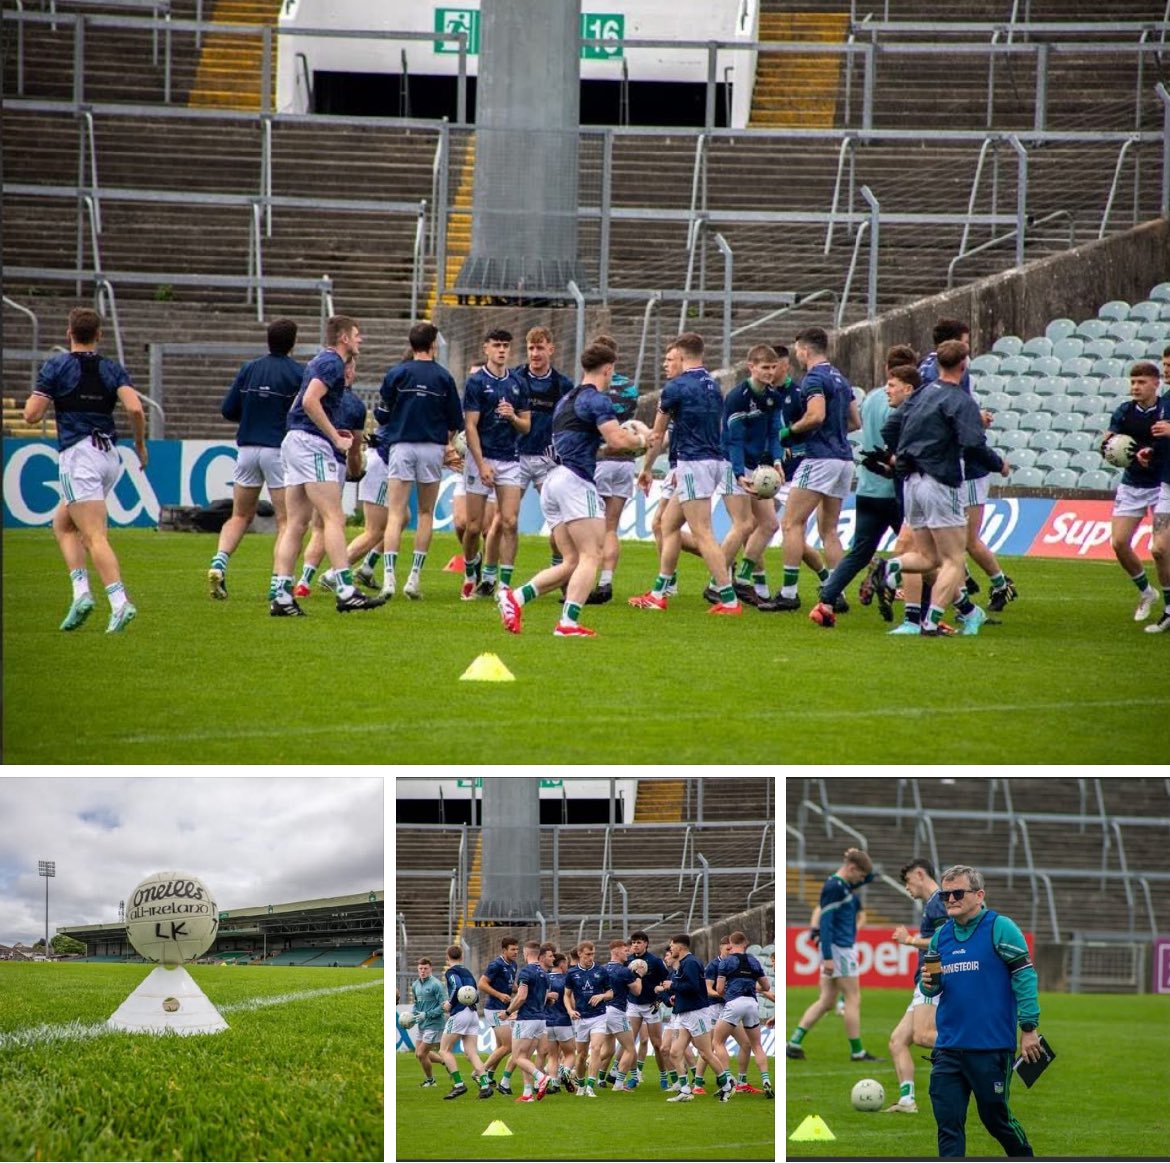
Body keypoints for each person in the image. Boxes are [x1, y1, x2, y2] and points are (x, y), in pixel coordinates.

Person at [495, 343, 648, 638]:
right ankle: (568, 624)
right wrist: (644, 441)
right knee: (592, 554)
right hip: (576, 481)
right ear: (608, 368)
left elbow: (585, 440)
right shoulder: (597, 399)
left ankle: (515, 598)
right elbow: (616, 439)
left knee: (572, 561)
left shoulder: (567, 398)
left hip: (554, 479)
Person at [870, 341, 1009, 636]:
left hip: (911, 483)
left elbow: (889, 428)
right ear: (964, 365)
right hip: (940, 482)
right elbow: (974, 444)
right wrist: (999, 465)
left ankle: (891, 568)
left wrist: (903, 454)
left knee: (928, 558)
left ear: (936, 366)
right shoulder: (961, 401)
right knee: (954, 560)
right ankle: (930, 621)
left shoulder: (921, 394)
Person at [24, 306, 146, 633]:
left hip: (78, 455)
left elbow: (31, 415)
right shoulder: (110, 368)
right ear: (99, 335)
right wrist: (140, 445)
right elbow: (134, 407)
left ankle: (120, 603)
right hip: (108, 454)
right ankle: (80, 593)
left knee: (93, 535)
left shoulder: (57, 366)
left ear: (69, 334)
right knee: (63, 524)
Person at [919, 864, 1042, 1157]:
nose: (950, 900)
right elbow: (932, 988)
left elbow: (1025, 977)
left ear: (979, 895)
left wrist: (1029, 1029)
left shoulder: (1001, 927)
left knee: (994, 1118)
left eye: (957, 893)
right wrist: (927, 984)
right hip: (948, 1049)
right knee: (948, 1124)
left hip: (990, 1049)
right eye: (946, 895)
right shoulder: (940, 937)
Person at [269, 315, 382, 615]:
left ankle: (281, 594)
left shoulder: (320, 362)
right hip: (311, 445)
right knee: (334, 518)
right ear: (344, 338)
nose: (361, 340)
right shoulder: (333, 363)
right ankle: (345, 590)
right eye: (357, 335)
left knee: (296, 523)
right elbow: (309, 400)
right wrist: (334, 437)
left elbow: (301, 403)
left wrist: (328, 430)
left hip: (296, 441)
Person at [629, 333, 742, 614]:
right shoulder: (714, 386)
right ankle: (659, 592)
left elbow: (656, 435)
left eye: (671, 357)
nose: (667, 363)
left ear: (682, 355)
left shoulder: (675, 388)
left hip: (693, 464)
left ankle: (728, 598)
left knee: (702, 532)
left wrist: (639, 447)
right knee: (667, 526)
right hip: (714, 461)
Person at [759, 326, 860, 612]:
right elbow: (855, 421)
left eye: (797, 351)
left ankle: (789, 593)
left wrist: (789, 433)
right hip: (843, 459)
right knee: (829, 530)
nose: (797, 356)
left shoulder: (814, 378)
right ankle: (835, 594)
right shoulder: (840, 377)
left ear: (804, 350)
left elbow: (816, 415)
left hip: (820, 459)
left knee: (791, 523)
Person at [812, 350, 915, 628]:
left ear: (886, 368)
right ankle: (936, 606)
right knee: (924, 552)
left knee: (859, 551)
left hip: (868, 488)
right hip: (896, 489)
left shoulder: (871, 398)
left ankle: (827, 598)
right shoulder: (907, 404)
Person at [207, 318, 303, 600]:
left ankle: (219, 562)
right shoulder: (298, 373)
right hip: (278, 451)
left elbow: (228, 409)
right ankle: (278, 582)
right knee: (286, 521)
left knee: (240, 515)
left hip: (247, 450)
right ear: (293, 342)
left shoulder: (249, 368)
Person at [373, 322, 463, 600]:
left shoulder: (397, 374)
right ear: (433, 344)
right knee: (425, 513)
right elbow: (455, 422)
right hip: (432, 448)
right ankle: (413, 578)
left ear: (411, 345)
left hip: (401, 445)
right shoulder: (444, 377)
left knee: (396, 513)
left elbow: (381, 415)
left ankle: (388, 579)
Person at [786, 847, 881, 1062]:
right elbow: (825, 923)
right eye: (860, 874)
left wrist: (864, 865)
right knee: (853, 999)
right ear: (851, 868)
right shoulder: (834, 887)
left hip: (837, 950)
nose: (861, 880)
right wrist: (828, 955)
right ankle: (857, 1052)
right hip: (840, 950)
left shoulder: (841, 884)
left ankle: (793, 1043)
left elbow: (864, 879)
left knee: (827, 1001)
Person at [461, 329, 531, 599]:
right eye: (497, 345)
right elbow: (470, 426)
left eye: (505, 345)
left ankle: (504, 584)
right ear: (486, 349)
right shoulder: (477, 383)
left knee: (510, 522)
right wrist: (481, 465)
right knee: (474, 526)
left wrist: (512, 417)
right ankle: (470, 572)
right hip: (482, 458)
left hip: (510, 458)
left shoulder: (518, 383)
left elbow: (526, 427)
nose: (502, 350)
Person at [292, 355, 367, 596]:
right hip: (331, 463)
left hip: (299, 453)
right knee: (328, 522)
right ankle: (318, 581)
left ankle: (283, 584)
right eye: (352, 367)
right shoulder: (354, 405)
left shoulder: (313, 389)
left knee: (299, 523)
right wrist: (356, 471)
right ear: (348, 372)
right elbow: (354, 449)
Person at [717, 344, 786, 607]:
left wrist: (776, 461)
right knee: (744, 525)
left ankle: (743, 578)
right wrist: (737, 473)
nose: (770, 372)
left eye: (773, 367)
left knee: (769, 524)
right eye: (764, 367)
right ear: (751, 367)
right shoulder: (737, 397)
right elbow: (734, 439)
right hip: (731, 464)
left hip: (757, 467)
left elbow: (774, 432)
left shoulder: (773, 397)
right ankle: (717, 584)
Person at [510, 326, 575, 582]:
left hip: (548, 461)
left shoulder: (562, 384)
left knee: (560, 522)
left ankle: (558, 569)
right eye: (531, 348)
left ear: (551, 349)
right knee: (505, 520)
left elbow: (570, 421)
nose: (535, 353)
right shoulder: (514, 378)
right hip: (516, 457)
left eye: (540, 348)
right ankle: (499, 578)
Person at [1101, 361, 1163, 622]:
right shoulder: (1124, 412)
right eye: (1133, 382)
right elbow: (1107, 442)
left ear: (1155, 384)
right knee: (1119, 542)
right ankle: (1147, 592)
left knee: (1160, 549)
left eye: (1141, 382)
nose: (1136, 387)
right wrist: (1111, 448)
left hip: (1162, 485)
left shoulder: (1164, 409)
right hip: (1133, 483)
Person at [884, 859, 947, 1114]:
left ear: (920, 874)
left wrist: (909, 940)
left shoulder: (938, 901)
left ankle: (977, 1047)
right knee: (897, 1041)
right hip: (924, 977)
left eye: (908, 881)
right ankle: (907, 1101)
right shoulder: (932, 904)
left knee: (922, 1036)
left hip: (932, 976)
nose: (907, 888)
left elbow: (945, 940)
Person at [589, 359, 642, 606]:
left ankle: (581, 582)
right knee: (611, 527)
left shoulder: (596, 389)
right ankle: (606, 581)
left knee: (591, 527)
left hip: (601, 458)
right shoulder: (630, 388)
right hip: (626, 463)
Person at [660, 933, 736, 1102]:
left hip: (696, 1013)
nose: (670, 948)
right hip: (683, 1013)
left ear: (680, 947)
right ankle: (686, 1091)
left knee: (706, 1052)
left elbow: (693, 986)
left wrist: (672, 985)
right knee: (674, 1052)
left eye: (672, 945)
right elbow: (683, 986)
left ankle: (727, 1085)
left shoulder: (691, 963)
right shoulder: (683, 964)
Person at [712, 930, 773, 1099]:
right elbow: (766, 986)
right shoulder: (754, 961)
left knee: (717, 1041)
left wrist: (730, 991)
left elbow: (718, 989)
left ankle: (728, 1080)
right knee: (757, 1045)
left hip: (734, 1003)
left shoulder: (726, 962)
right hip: (752, 1004)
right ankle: (766, 1080)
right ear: (745, 944)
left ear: (730, 945)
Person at [1135, 372, 1170, 632]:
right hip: (1167, 483)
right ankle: (1169, 609)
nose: (1166, 370)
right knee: (1158, 549)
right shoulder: (1166, 400)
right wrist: (1152, 452)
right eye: (1165, 364)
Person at [437, 944, 493, 1100]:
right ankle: (485, 1085)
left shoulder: (451, 972)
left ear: (447, 958)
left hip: (460, 1013)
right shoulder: (468, 972)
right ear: (462, 957)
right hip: (473, 1013)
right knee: (471, 1052)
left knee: (444, 1050)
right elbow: (474, 993)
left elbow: (457, 986)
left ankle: (458, 1084)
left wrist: (450, 1003)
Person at [502, 941, 556, 1102]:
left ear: (526, 954)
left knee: (518, 1057)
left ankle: (541, 1077)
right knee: (525, 1057)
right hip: (540, 1020)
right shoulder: (545, 974)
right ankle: (527, 1094)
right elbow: (546, 1000)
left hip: (526, 1020)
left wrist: (508, 1012)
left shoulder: (526, 972)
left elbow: (522, 996)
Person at [563, 939, 612, 1098]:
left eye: (593, 954)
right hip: (581, 1018)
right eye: (587, 954)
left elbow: (611, 993)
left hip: (599, 1015)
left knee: (596, 1049)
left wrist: (602, 995)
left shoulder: (601, 971)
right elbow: (566, 995)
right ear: (579, 954)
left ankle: (590, 1086)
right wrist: (570, 1010)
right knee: (582, 1055)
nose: (591, 957)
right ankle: (581, 1085)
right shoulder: (572, 973)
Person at [626, 930, 670, 1089]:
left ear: (645, 943)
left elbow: (666, 980)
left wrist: (660, 998)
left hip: (651, 1006)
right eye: (633, 943)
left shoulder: (655, 961)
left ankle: (663, 1076)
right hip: (633, 1005)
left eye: (638, 942)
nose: (635, 945)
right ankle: (634, 1076)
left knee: (657, 1044)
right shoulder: (628, 960)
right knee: (629, 1043)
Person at [408, 957, 447, 1086]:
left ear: (430, 969)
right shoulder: (415, 985)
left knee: (421, 1053)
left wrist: (427, 1014)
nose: (423, 971)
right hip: (422, 1024)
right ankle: (445, 1062)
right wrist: (413, 1017)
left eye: (425, 968)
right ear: (417, 969)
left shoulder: (436, 984)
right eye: (420, 968)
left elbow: (444, 1006)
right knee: (418, 1054)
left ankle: (431, 1080)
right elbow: (416, 1003)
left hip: (434, 1024)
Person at [541, 951, 577, 1093]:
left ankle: (554, 1084)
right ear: (562, 964)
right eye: (566, 963)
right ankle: (565, 1072)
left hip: (547, 1023)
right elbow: (572, 1003)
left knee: (552, 1056)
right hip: (563, 1022)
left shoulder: (545, 978)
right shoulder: (566, 980)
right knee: (570, 1053)